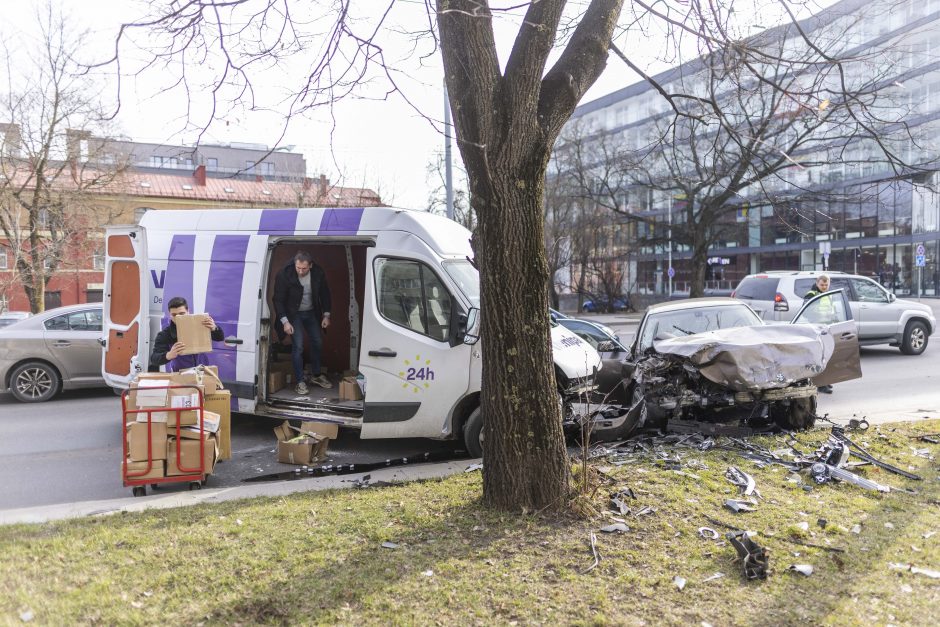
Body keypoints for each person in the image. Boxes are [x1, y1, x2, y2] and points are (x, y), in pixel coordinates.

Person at [273, 251, 332, 395]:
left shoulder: (318, 273)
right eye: (297, 268)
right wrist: (285, 322)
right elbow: (278, 300)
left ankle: (316, 375)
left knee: (317, 341)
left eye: (304, 268)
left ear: (310, 266)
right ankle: (300, 382)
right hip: (294, 314)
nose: (300, 271)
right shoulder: (285, 274)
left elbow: (325, 293)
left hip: (312, 312)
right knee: (298, 346)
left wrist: (326, 315)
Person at [149, 296, 224, 372]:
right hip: (180, 375)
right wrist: (168, 355)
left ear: (188, 311)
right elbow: (154, 359)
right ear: (170, 315)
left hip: (203, 371)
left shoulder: (199, 324)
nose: (178, 317)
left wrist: (214, 328)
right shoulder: (165, 334)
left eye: (182, 313)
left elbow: (220, 338)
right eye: (174, 315)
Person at [803, 274, 834, 394]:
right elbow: (806, 312)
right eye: (822, 284)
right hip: (816, 329)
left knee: (826, 357)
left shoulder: (828, 294)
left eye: (826, 284)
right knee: (819, 358)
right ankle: (820, 384)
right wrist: (820, 317)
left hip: (826, 329)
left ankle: (825, 381)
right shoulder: (811, 295)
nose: (824, 286)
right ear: (817, 283)